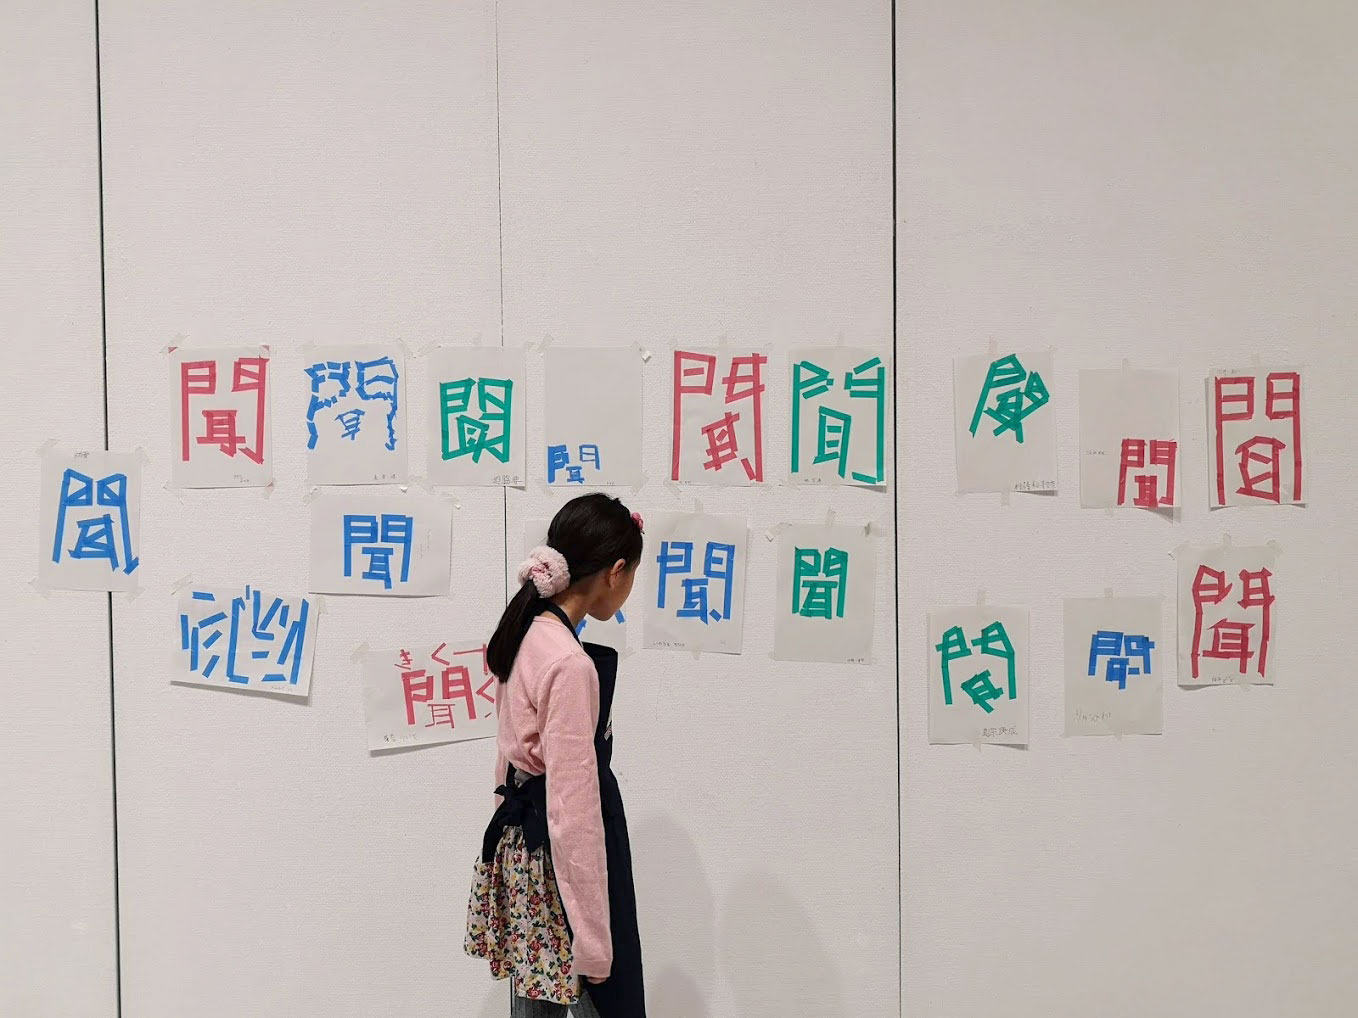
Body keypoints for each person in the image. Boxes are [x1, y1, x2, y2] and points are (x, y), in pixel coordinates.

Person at [466, 493, 648, 1018]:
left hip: (524, 853)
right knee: (604, 998)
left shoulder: (526, 633)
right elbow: (574, 812)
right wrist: (592, 937)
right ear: (616, 571)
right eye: (633, 576)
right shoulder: (570, 663)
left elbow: (507, 761)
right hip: (558, 867)